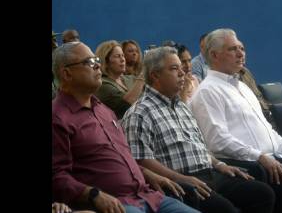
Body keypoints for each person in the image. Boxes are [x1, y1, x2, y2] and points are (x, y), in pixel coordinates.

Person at [189, 28, 282, 213]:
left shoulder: (242, 86)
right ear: (214, 54)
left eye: (242, 48)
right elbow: (218, 140)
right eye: (233, 49)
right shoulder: (207, 91)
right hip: (247, 163)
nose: (241, 53)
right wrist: (260, 157)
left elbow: (266, 129)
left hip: (272, 158)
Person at [122, 46, 275, 213]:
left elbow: (198, 147)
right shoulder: (140, 113)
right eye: (174, 69)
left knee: (262, 194)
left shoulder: (181, 106)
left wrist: (220, 164)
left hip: (210, 172)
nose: (182, 73)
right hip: (178, 182)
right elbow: (141, 161)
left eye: (181, 67)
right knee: (226, 209)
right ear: (155, 75)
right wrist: (182, 179)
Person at [52, 41, 199, 213]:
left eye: (97, 60)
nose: (98, 65)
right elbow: (56, 176)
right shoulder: (58, 117)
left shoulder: (103, 110)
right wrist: (93, 194)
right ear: (67, 73)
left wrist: (147, 173)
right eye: (90, 62)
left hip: (148, 196)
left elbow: (122, 157)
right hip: (114, 203)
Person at [94, 40, 145, 119]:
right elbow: (127, 104)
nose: (123, 59)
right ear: (106, 61)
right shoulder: (102, 84)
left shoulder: (129, 78)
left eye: (123, 56)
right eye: (118, 56)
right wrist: (143, 74)